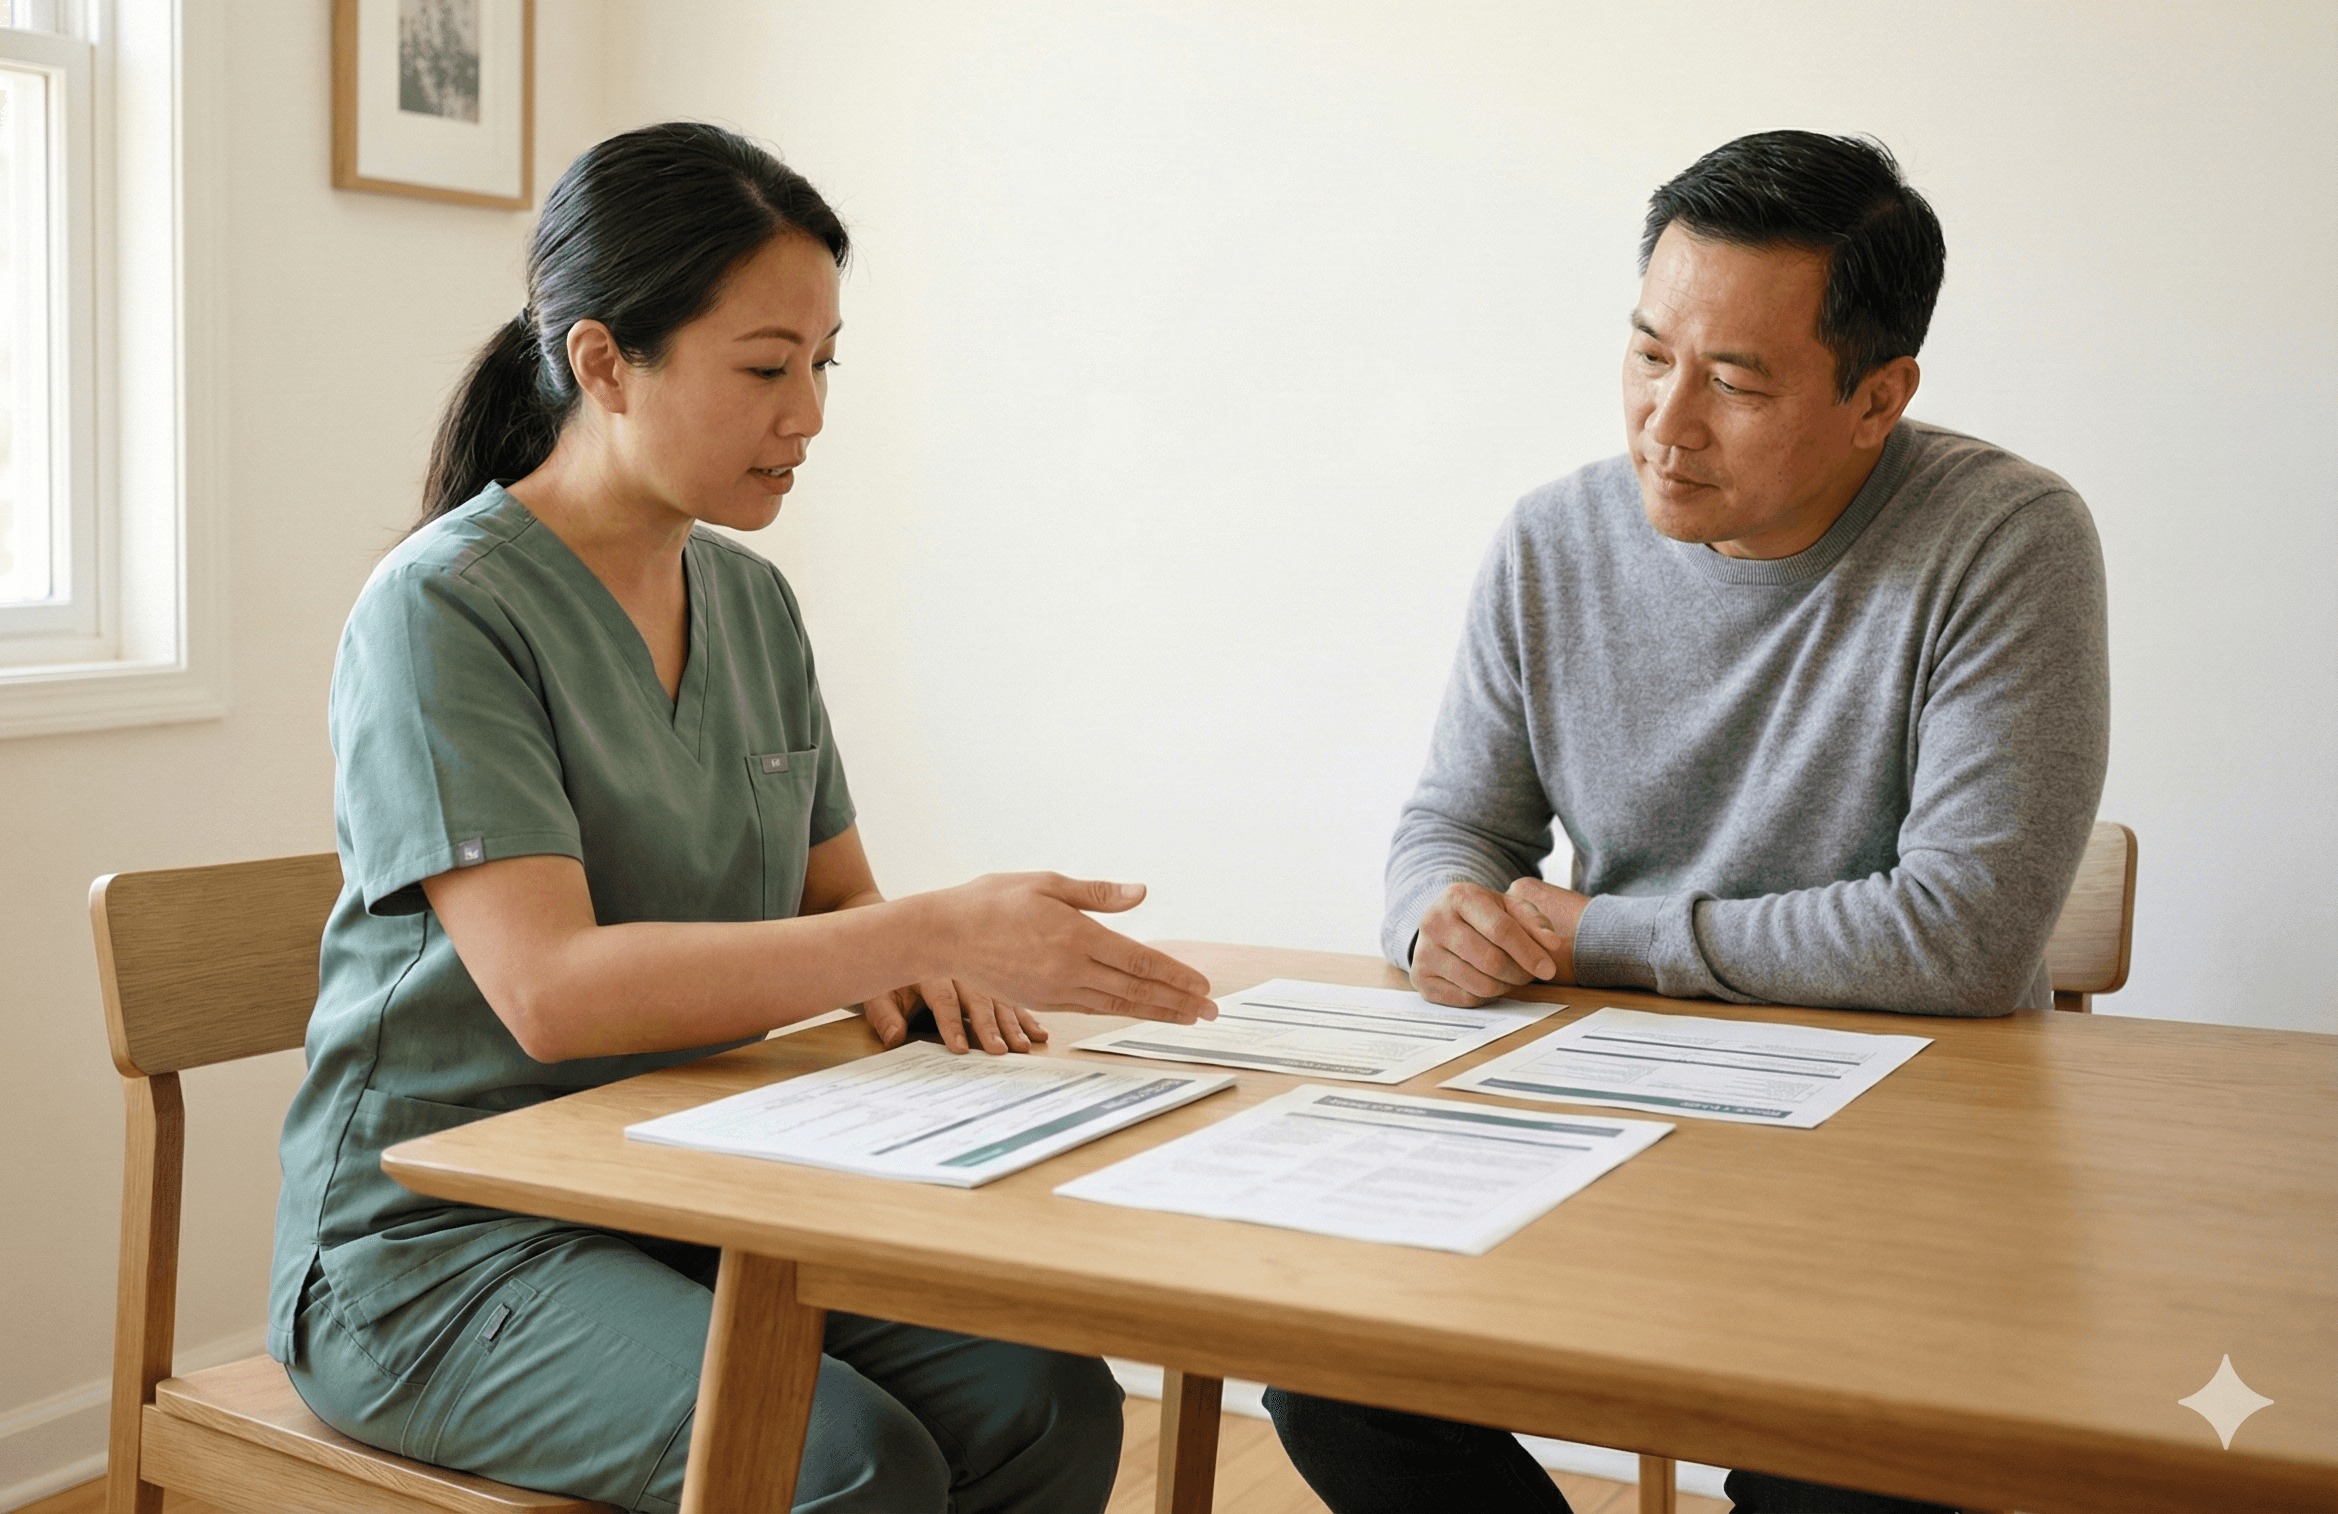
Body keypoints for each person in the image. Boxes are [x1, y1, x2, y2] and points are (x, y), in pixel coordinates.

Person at [269, 121, 1218, 1514]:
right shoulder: (444, 610)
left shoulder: (754, 606)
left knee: (1045, 1402)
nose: (811, 414)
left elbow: (840, 907)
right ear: (604, 363)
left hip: (692, 1190)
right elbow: (550, 995)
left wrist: (931, 958)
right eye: (767, 368)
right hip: (441, 1248)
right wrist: (928, 924)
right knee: (842, 1462)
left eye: (824, 364)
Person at [1263, 131, 2108, 1514]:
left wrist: (1600, 933)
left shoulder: (2003, 540)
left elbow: (1961, 936)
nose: (1668, 420)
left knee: (1845, 1477)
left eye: (1737, 381)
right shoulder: (1554, 541)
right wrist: (1441, 914)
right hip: (1611, 1117)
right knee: (1334, 1370)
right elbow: (1449, 825)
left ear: (1876, 397)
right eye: (1650, 354)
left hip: (1904, 1159)